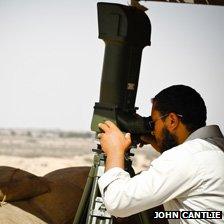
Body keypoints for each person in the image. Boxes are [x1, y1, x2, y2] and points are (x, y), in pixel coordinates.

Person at [97, 84, 224, 223]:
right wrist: (163, 145)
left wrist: (115, 151)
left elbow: (117, 203)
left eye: (153, 122)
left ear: (172, 120)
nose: (152, 130)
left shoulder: (185, 158)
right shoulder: (214, 149)